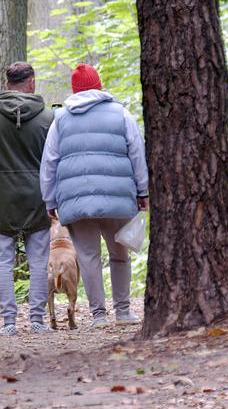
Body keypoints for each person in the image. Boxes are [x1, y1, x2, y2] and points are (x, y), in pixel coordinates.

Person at [39, 63, 149, 329]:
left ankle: (99, 315)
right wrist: (143, 190)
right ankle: (123, 311)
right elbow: (137, 153)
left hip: (76, 201)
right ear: (99, 86)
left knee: (88, 258)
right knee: (119, 252)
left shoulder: (61, 119)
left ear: (75, 90)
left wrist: (50, 199)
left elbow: (49, 161)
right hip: (118, 198)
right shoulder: (121, 114)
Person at [0, 62, 54, 335]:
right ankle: (38, 320)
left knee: (3, 262)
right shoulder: (48, 117)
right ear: (31, 82)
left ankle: (9, 322)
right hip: (37, 197)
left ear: (8, 83)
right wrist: (56, 197)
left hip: (1, 198)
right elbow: (56, 160)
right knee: (38, 261)